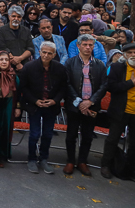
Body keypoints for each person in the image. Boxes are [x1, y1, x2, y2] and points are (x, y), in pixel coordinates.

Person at [18, 41, 67, 174]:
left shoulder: (60, 68)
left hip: (51, 106)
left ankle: (44, 158)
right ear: (39, 52)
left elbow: (63, 88)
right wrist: (35, 101)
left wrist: (55, 100)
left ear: (54, 54)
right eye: (44, 52)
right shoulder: (29, 67)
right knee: (34, 133)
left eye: (49, 53)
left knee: (48, 134)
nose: (46, 55)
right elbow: (23, 88)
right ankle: (32, 159)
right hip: (34, 105)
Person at [63, 33, 108, 176]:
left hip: (92, 105)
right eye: (85, 45)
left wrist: (90, 101)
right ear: (78, 46)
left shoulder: (100, 64)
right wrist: (79, 102)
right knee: (71, 134)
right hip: (74, 105)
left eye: (90, 45)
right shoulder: (70, 63)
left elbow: (104, 85)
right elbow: (67, 83)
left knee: (88, 135)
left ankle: (82, 161)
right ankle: (70, 161)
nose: (88, 47)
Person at [100, 42, 135, 180]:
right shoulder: (117, 68)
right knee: (112, 139)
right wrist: (130, 83)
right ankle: (106, 165)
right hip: (120, 110)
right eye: (130, 53)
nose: (133, 55)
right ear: (125, 55)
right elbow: (111, 87)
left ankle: (130, 170)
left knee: (134, 143)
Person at [0, 6, 34, 71]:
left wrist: (20, 58)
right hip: (7, 67)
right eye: (13, 16)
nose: (16, 19)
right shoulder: (1, 31)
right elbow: (2, 48)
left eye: (19, 17)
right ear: (9, 17)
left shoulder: (26, 30)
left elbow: (30, 48)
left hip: (24, 66)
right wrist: (17, 63)